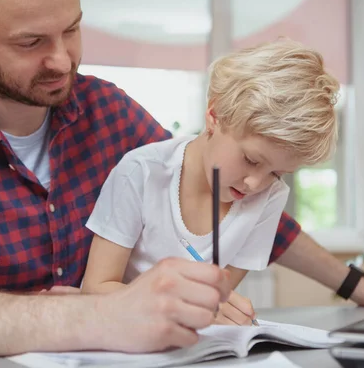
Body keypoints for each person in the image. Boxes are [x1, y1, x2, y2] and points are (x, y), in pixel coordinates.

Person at [0, 0, 364, 366]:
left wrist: (358, 287)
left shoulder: (106, 110)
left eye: (72, 29)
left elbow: (221, 191)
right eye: (31, 42)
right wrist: (93, 313)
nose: (64, 60)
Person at [81, 39, 339, 327]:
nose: (255, 183)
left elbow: (216, 298)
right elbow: (95, 290)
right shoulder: (141, 172)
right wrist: (185, 307)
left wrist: (221, 309)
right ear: (215, 115)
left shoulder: (270, 197)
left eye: (276, 173)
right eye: (251, 160)